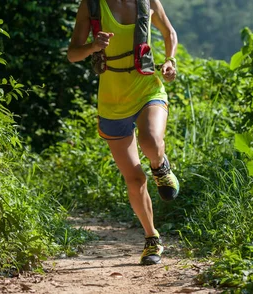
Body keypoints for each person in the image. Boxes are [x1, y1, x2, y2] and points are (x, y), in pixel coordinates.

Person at [67, 0, 179, 265]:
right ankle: (152, 238)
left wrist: (170, 60)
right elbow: (73, 54)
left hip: (147, 87)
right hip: (112, 102)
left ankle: (160, 166)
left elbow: (169, 32)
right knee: (134, 178)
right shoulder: (91, 6)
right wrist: (93, 47)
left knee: (151, 141)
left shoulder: (147, 1)